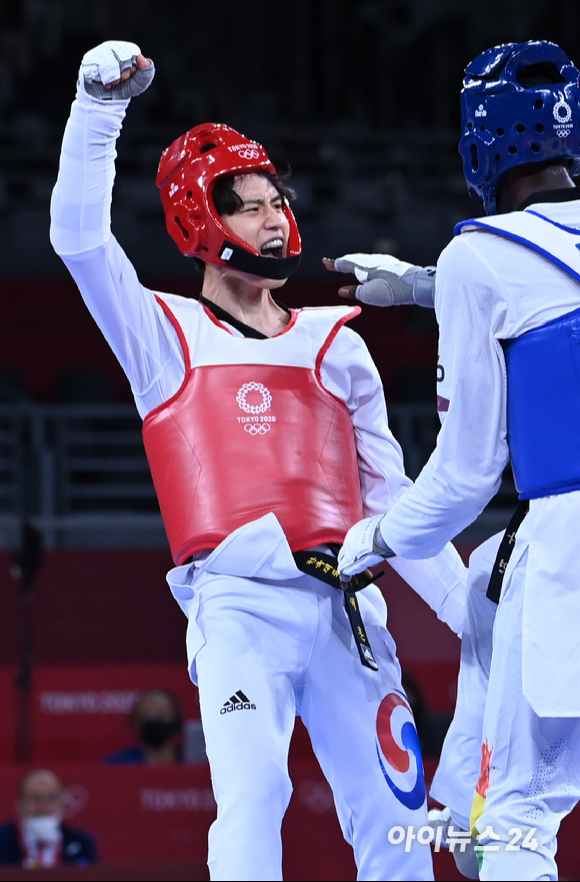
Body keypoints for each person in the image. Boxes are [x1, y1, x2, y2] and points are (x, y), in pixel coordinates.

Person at [50, 40, 468, 881]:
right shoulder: (163, 338)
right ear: (199, 222)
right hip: (239, 607)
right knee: (254, 796)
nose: (274, 218)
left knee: (395, 817)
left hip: (350, 604)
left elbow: (399, 506)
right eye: (248, 205)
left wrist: (474, 623)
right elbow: (80, 243)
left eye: (278, 200)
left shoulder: (337, 346)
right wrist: (98, 112)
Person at [338, 39, 580, 881]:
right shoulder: (478, 265)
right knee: (483, 589)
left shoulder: (481, 254)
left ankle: (466, 819)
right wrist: (413, 283)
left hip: (570, 538)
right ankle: (457, 811)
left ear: (481, 141)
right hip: (547, 548)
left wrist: (374, 540)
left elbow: (464, 478)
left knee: (517, 816)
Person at [0, 769, 97, 868]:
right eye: (35, 798)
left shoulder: (81, 842)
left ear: (61, 802)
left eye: (52, 798)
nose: (44, 806)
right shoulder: (2, 841)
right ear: (19, 804)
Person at [104, 688, 182, 764]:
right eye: (147, 717)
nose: (154, 721)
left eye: (161, 716)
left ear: (176, 720)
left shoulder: (190, 762)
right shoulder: (117, 765)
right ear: (135, 723)